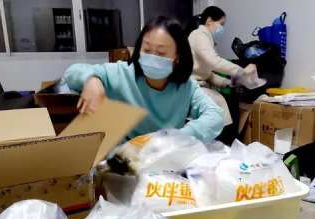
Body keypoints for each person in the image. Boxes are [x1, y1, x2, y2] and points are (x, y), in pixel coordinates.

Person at [63, 16, 224, 142]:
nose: (152, 57)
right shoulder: (123, 73)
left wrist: (176, 137)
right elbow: (72, 72)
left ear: (177, 57)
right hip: (124, 161)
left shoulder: (186, 86)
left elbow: (215, 116)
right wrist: (92, 80)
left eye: (161, 53)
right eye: (146, 49)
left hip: (166, 159)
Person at [188, 6, 258, 88]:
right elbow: (214, 62)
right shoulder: (199, 35)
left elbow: (207, 74)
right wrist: (242, 71)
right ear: (209, 20)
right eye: (221, 24)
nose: (222, 28)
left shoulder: (206, 38)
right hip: (189, 85)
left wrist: (228, 82)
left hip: (198, 84)